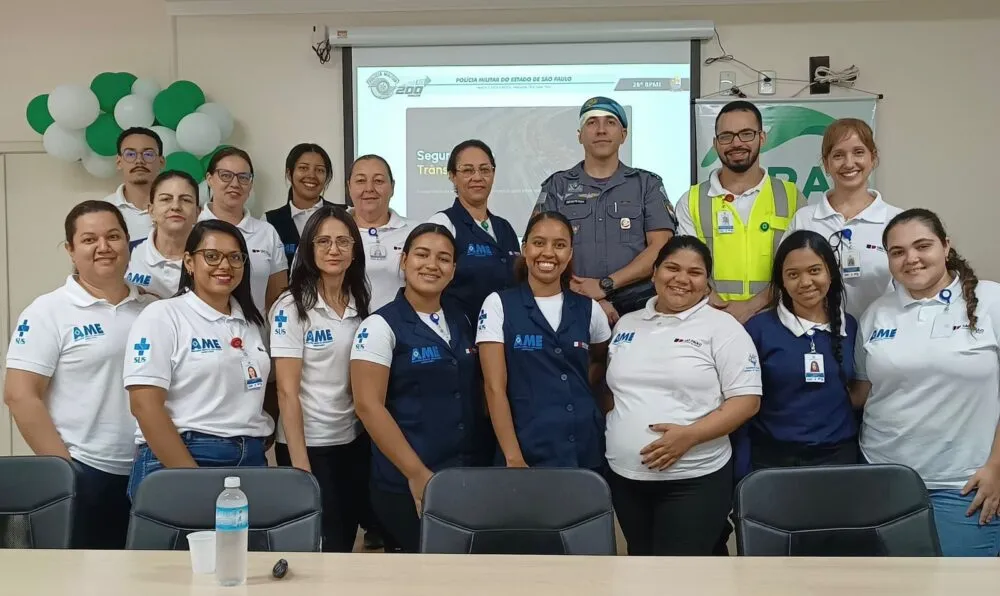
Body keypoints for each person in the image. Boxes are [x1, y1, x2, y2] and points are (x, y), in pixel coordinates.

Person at [4, 201, 154, 548]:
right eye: (89, 239)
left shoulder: (152, 309)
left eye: (113, 236)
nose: (103, 247)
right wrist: (65, 471)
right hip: (86, 472)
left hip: (148, 470)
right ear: (71, 250)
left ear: (128, 243)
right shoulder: (48, 311)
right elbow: (19, 394)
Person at [853, 208, 1000, 557]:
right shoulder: (876, 314)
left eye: (923, 246)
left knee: (959, 587)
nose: (912, 259)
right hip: (883, 478)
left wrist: (996, 466)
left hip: (965, 483)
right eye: (898, 252)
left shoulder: (992, 300)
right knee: (890, 587)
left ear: (946, 247)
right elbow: (862, 393)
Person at [604, 235, 761, 556]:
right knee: (641, 565)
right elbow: (615, 390)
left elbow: (747, 400)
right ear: (654, 273)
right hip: (626, 476)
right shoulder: (627, 324)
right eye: (672, 268)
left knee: (681, 576)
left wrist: (689, 436)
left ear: (706, 284)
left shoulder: (724, 328)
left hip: (695, 477)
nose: (681, 279)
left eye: (695, 273)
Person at [350, 223, 492, 553]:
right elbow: (368, 406)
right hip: (407, 482)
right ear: (404, 260)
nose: (432, 265)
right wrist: (417, 474)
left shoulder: (463, 318)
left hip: (465, 476)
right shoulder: (379, 326)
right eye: (422, 255)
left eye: (443, 258)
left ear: (454, 270)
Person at [123, 219, 274, 499]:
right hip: (183, 456)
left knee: (245, 544)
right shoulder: (163, 316)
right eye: (212, 256)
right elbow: (144, 406)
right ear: (189, 262)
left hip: (249, 460)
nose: (224, 266)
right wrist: (192, 480)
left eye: (235, 257)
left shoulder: (252, 323)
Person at [269, 206, 372, 553]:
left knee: (345, 537)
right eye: (324, 241)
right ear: (309, 250)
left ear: (354, 249)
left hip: (352, 441)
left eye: (343, 241)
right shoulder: (291, 305)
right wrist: (301, 466)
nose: (334, 249)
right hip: (308, 445)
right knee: (320, 545)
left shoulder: (359, 300)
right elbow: (286, 391)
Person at [477, 212, 611, 470]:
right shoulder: (499, 305)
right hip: (526, 451)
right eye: (539, 243)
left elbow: (600, 361)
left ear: (570, 254)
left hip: (584, 448)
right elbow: (494, 389)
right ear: (524, 249)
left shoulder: (589, 309)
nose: (548, 253)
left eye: (559, 245)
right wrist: (513, 457)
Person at [537, 96, 676, 321]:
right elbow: (541, 249)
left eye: (610, 122)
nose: (601, 130)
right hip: (571, 305)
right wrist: (589, 297)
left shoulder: (647, 184)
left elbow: (661, 248)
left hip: (639, 308)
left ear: (624, 135)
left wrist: (604, 287)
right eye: (591, 123)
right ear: (579, 136)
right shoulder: (557, 186)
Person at [676, 100, 806, 324]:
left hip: (778, 320)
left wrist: (750, 307)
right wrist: (719, 306)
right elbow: (687, 266)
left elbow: (800, 264)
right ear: (716, 143)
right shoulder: (692, 200)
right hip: (711, 318)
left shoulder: (792, 197)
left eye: (746, 134)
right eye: (726, 136)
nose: (736, 143)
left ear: (762, 138)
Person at [743, 230, 858, 472]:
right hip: (772, 461)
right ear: (781, 281)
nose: (805, 282)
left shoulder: (851, 325)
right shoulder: (758, 330)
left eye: (814, 271)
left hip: (839, 459)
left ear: (831, 273)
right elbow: (743, 406)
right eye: (793, 274)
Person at [784, 119, 903, 320]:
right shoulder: (804, 220)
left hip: (881, 337)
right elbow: (786, 280)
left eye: (858, 152)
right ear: (826, 164)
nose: (849, 163)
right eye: (838, 155)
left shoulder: (896, 221)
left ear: (873, 158)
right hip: (819, 339)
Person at [426, 140, 519, 324]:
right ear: (452, 176)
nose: (477, 177)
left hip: (506, 335)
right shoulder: (442, 224)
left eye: (485, 170)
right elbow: (427, 286)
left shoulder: (504, 227)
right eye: (468, 170)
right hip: (461, 337)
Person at [201, 146, 287, 313]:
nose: (235, 184)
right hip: (202, 334)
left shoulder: (267, 232)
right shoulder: (193, 230)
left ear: (251, 183)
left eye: (243, 177)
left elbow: (278, 299)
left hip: (255, 334)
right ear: (209, 179)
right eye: (225, 175)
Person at [348, 154, 414, 311]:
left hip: (401, 329)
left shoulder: (416, 232)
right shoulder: (328, 230)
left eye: (378, 181)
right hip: (341, 329)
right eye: (360, 181)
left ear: (392, 187)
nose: (369, 188)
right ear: (349, 187)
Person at [125, 170, 199, 298]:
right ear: (151, 210)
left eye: (186, 200)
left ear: (197, 213)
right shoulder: (128, 253)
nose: (175, 206)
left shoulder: (211, 260)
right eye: (166, 199)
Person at [265, 143, 338, 268]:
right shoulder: (270, 221)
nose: (311, 175)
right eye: (303, 168)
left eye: (319, 170)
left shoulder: (342, 214)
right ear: (289, 173)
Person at [105, 127, 165, 247]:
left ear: (161, 162)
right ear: (119, 162)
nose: (139, 161)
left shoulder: (177, 207)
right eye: (130, 154)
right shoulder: (104, 210)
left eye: (148, 154)